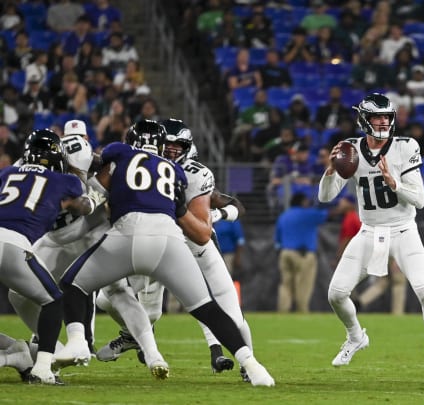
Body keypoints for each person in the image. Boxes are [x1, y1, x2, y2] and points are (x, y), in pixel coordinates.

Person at [54, 120, 274, 386]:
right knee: (205, 309)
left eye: (176, 145)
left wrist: (79, 174)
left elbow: (100, 183)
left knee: (72, 284)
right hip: (170, 242)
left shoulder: (126, 155)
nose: (171, 150)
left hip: (147, 238)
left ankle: (78, 340)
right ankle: (254, 366)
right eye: (166, 144)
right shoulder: (174, 172)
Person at [318, 93, 424, 376]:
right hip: (368, 232)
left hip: (404, 231)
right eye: (376, 117)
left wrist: (394, 183)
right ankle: (356, 337)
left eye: (386, 117)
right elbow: (325, 197)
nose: (383, 122)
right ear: (364, 120)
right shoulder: (352, 149)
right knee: (336, 294)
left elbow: (420, 201)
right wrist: (331, 170)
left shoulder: (405, 147)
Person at [0, 129, 100, 384]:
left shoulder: (7, 173)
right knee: (53, 302)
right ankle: (42, 368)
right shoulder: (64, 181)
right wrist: (95, 198)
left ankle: (17, 354)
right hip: (14, 244)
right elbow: (83, 207)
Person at [275, 192, 328, 313]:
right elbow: (326, 214)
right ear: (302, 202)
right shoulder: (309, 214)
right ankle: (302, 310)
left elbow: (277, 239)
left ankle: (283, 310)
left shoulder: (284, 216)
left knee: (285, 284)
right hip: (303, 254)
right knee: (303, 284)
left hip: (285, 252)